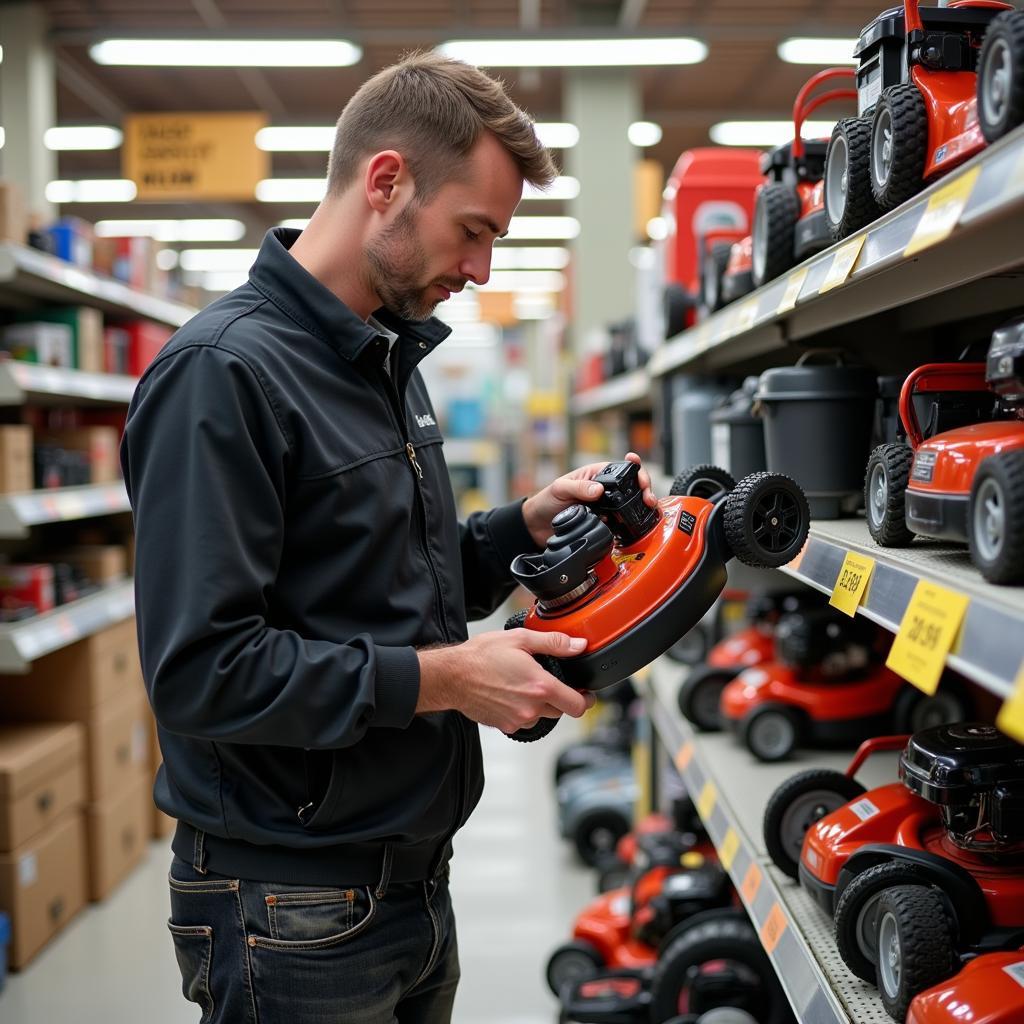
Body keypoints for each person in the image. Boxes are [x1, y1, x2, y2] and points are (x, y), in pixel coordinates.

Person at [121, 51, 657, 1024]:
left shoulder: (384, 355)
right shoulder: (221, 376)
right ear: (385, 183)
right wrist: (446, 679)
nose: (482, 267)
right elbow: (202, 670)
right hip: (290, 904)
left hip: (406, 880)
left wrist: (515, 527)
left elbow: (383, 586)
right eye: (474, 230)